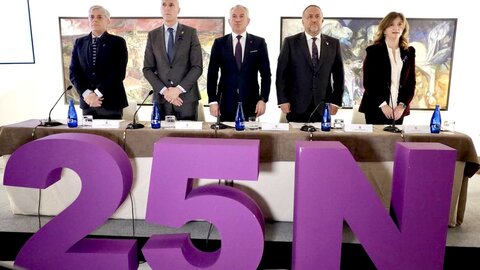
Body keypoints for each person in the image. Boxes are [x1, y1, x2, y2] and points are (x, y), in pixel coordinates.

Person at [276, 5, 344, 123]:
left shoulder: (334, 44)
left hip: (323, 106)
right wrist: (283, 100)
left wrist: (336, 101)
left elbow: (339, 76)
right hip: (296, 106)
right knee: (295, 140)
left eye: (317, 16)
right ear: (303, 21)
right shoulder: (290, 43)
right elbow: (281, 74)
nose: (314, 19)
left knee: (321, 140)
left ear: (322, 20)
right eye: (310, 16)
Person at [207, 5, 271, 121]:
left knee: (250, 137)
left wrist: (263, 99)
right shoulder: (219, 43)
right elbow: (212, 74)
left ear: (248, 21)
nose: (238, 19)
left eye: (242, 16)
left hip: (251, 102)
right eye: (234, 16)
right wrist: (212, 100)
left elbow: (266, 75)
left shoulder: (259, 43)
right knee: (225, 137)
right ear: (229, 21)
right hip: (225, 102)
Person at [143, 0, 203, 120]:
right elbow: (147, 69)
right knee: (158, 137)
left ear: (178, 10)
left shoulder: (190, 33)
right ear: (160, 9)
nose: (167, 8)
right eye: (164, 5)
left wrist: (178, 90)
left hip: (186, 100)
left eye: (171, 5)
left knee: (185, 137)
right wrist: (165, 91)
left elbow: (197, 67)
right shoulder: (152, 35)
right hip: (161, 100)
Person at [69, 5, 129, 119]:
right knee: (88, 137)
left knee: (111, 137)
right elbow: (74, 72)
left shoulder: (118, 42)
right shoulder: (79, 43)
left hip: (111, 103)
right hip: (88, 104)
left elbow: (118, 73)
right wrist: (87, 94)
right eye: (91, 17)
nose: (94, 19)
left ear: (108, 21)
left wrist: (97, 94)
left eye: (99, 17)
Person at [358, 11, 416, 125]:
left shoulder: (409, 52)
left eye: (400, 24)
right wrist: (383, 104)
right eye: (391, 24)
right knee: (376, 142)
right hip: (376, 108)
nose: (396, 28)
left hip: (398, 111)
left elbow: (411, 83)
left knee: (395, 142)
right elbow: (368, 82)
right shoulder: (373, 51)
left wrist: (402, 106)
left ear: (404, 28)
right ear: (384, 29)